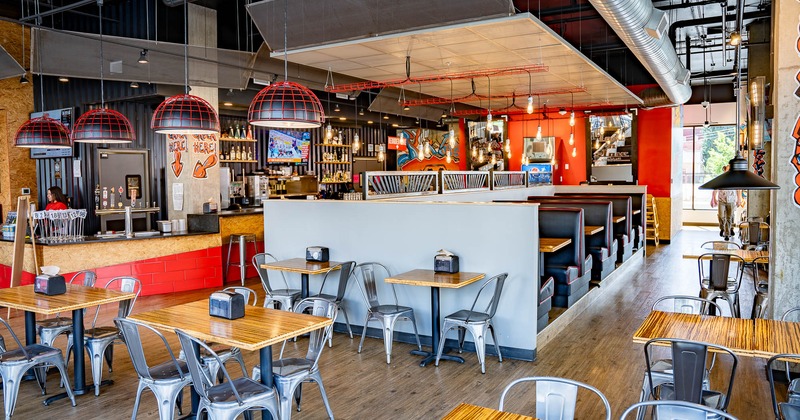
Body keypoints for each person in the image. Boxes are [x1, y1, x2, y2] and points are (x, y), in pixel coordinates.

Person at [710, 166, 741, 240]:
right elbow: (715, 189)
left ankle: (727, 234)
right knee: (721, 216)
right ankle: (722, 228)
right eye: (728, 169)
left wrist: (739, 199)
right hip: (721, 200)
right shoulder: (721, 178)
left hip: (731, 201)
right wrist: (714, 198)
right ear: (725, 170)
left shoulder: (735, 179)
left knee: (729, 218)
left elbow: (738, 189)